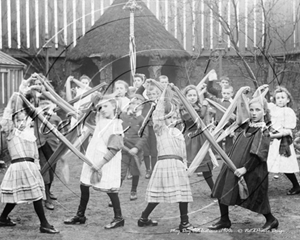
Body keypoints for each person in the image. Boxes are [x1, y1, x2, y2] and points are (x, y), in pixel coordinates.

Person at [209, 95, 279, 231]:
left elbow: (258, 155)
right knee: (222, 188)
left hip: (251, 169)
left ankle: (271, 220)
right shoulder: (247, 126)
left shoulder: (263, 131)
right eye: (251, 110)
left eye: (257, 110)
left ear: (264, 111)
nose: (253, 113)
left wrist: (245, 169)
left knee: (257, 196)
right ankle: (224, 220)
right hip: (233, 166)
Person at [137, 87, 200, 233]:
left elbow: (183, 152)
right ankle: (144, 218)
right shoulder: (160, 129)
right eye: (169, 117)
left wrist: (185, 165)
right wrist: (163, 92)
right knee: (159, 193)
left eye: (174, 117)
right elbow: (158, 115)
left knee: (182, 194)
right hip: (164, 163)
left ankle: (184, 223)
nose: (172, 119)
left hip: (177, 165)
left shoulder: (178, 132)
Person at [0, 93, 59, 234]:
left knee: (21, 194)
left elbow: (34, 153)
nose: (21, 116)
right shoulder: (11, 131)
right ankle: (44, 224)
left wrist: (37, 166)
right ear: (14, 118)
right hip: (19, 166)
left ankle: (2, 218)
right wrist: (14, 98)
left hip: (31, 166)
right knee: (35, 195)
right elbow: (7, 117)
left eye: (23, 114)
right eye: (18, 115)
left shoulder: (30, 132)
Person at [64, 94, 125, 229]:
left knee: (111, 190)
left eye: (106, 106)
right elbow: (93, 103)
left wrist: (101, 164)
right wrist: (98, 98)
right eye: (100, 107)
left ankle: (118, 217)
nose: (102, 109)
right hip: (93, 158)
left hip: (107, 162)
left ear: (114, 106)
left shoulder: (116, 125)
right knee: (84, 184)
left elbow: (114, 149)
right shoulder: (100, 120)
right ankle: (80, 215)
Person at [180, 85, 214, 193]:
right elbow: (197, 119)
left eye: (194, 95)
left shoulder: (198, 106)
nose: (192, 97)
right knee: (187, 167)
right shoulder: (183, 109)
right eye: (189, 95)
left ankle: (213, 190)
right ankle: (182, 190)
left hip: (201, 138)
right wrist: (204, 106)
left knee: (206, 167)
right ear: (185, 96)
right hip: (190, 139)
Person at [267, 86, 300, 195]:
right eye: (278, 98)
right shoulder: (273, 109)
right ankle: (260, 187)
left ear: (288, 99)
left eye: (282, 97)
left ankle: (296, 185)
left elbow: (288, 130)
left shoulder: (288, 111)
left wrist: (276, 135)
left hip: (283, 141)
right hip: (273, 142)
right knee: (267, 163)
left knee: (286, 164)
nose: (280, 100)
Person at [120, 94, 148, 200]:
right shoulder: (123, 116)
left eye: (138, 104)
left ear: (141, 106)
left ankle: (133, 190)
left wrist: (136, 148)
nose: (135, 105)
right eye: (133, 103)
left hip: (136, 151)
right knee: (121, 172)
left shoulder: (142, 120)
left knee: (135, 170)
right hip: (123, 149)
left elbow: (145, 136)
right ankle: (115, 192)